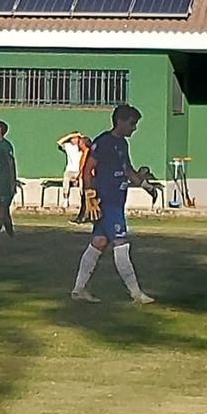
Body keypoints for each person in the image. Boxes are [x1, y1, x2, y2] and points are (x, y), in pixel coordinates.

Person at [70, 104, 155, 306]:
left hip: (117, 201)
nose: (134, 128)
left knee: (99, 242)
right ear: (120, 121)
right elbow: (88, 168)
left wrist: (146, 185)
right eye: (132, 123)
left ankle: (78, 290)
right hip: (108, 203)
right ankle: (136, 293)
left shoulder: (122, 144)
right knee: (121, 243)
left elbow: (127, 170)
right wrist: (89, 194)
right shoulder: (104, 142)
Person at [0, 120, 17, 241]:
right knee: (4, 212)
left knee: (2, 212)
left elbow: (11, 164)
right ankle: (12, 237)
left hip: (5, 183)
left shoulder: (5, 146)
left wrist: (12, 183)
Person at [57, 132, 85, 206]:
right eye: (73, 138)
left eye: (76, 138)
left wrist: (80, 136)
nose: (75, 140)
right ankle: (66, 199)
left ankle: (82, 200)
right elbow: (59, 142)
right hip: (70, 171)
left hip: (79, 171)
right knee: (66, 179)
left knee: (82, 182)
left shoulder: (82, 147)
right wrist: (70, 135)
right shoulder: (68, 146)